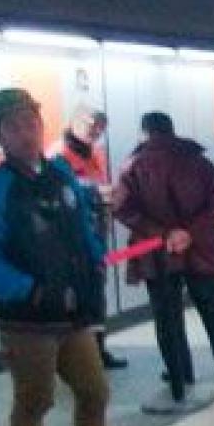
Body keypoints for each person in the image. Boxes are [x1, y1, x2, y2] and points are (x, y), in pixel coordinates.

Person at [0, 88, 149, 426]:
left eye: (31, 123)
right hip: (27, 321)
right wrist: (26, 289)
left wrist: (93, 263)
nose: (26, 133)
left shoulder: (60, 174)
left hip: (72, 314)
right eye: (14, 127)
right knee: (34, 403)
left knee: (93, 391)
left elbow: (81, 223)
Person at [114, 111, 214, 405]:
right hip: (201, 248)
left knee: (167, 317)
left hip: (157, 252)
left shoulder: (133, 166)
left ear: (145, 133)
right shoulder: (199, 161)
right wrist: (189, 233)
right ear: (172, 130)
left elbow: (124, 209)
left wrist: (165, 234)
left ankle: (180, 372)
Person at [49, 103, 127, 369]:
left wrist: (110, 197)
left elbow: (98, 185)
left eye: (100, 129)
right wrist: (97, 193)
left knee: (96, 296)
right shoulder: (58, 155)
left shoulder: (93, 154)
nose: (95, 133)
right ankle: (77, 359)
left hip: (95, 236)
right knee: (76, 299)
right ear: (74, 122)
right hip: (70, 243)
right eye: (91, 127)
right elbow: (59, 196)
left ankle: (98, 351)